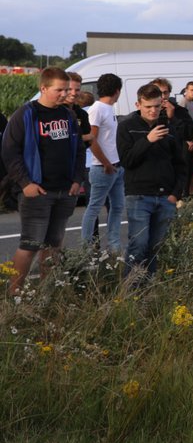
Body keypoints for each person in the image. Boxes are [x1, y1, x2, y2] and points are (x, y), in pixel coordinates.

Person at [2, 68, 87, 296]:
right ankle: (14, 296)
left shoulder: (68, 115)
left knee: (53, 245)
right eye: (59, 90)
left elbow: (79, 150)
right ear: (43, 88)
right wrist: (25, 183)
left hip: (65, 191)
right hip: (37, 191)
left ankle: (48, 293)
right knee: (30, 245)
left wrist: (77, 179)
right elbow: (10, 152)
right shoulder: (26, 115)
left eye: (66, 90)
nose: (64, 94)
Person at [116, 82, 192, 283]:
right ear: (138, 104)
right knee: (139, 244)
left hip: (165, 197)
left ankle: (147, 288)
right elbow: (127, 160)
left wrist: (175, 193)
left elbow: (181, 164)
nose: (153, 111)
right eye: (148, 106)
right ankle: (130, 289)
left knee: (156, 246)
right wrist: (147, 140)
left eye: (157, 106)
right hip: (139, 195)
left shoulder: (171, 128)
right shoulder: (127, 127)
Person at [82, 72, 125, 255]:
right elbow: (92, 140)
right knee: (94, 208)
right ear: (117, 90)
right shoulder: (97, 109)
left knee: (117, 207)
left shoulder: (107, 109)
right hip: (103, 168)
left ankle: (114, 245)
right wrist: (106, 163)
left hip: (115, 166)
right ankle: (87, 248)